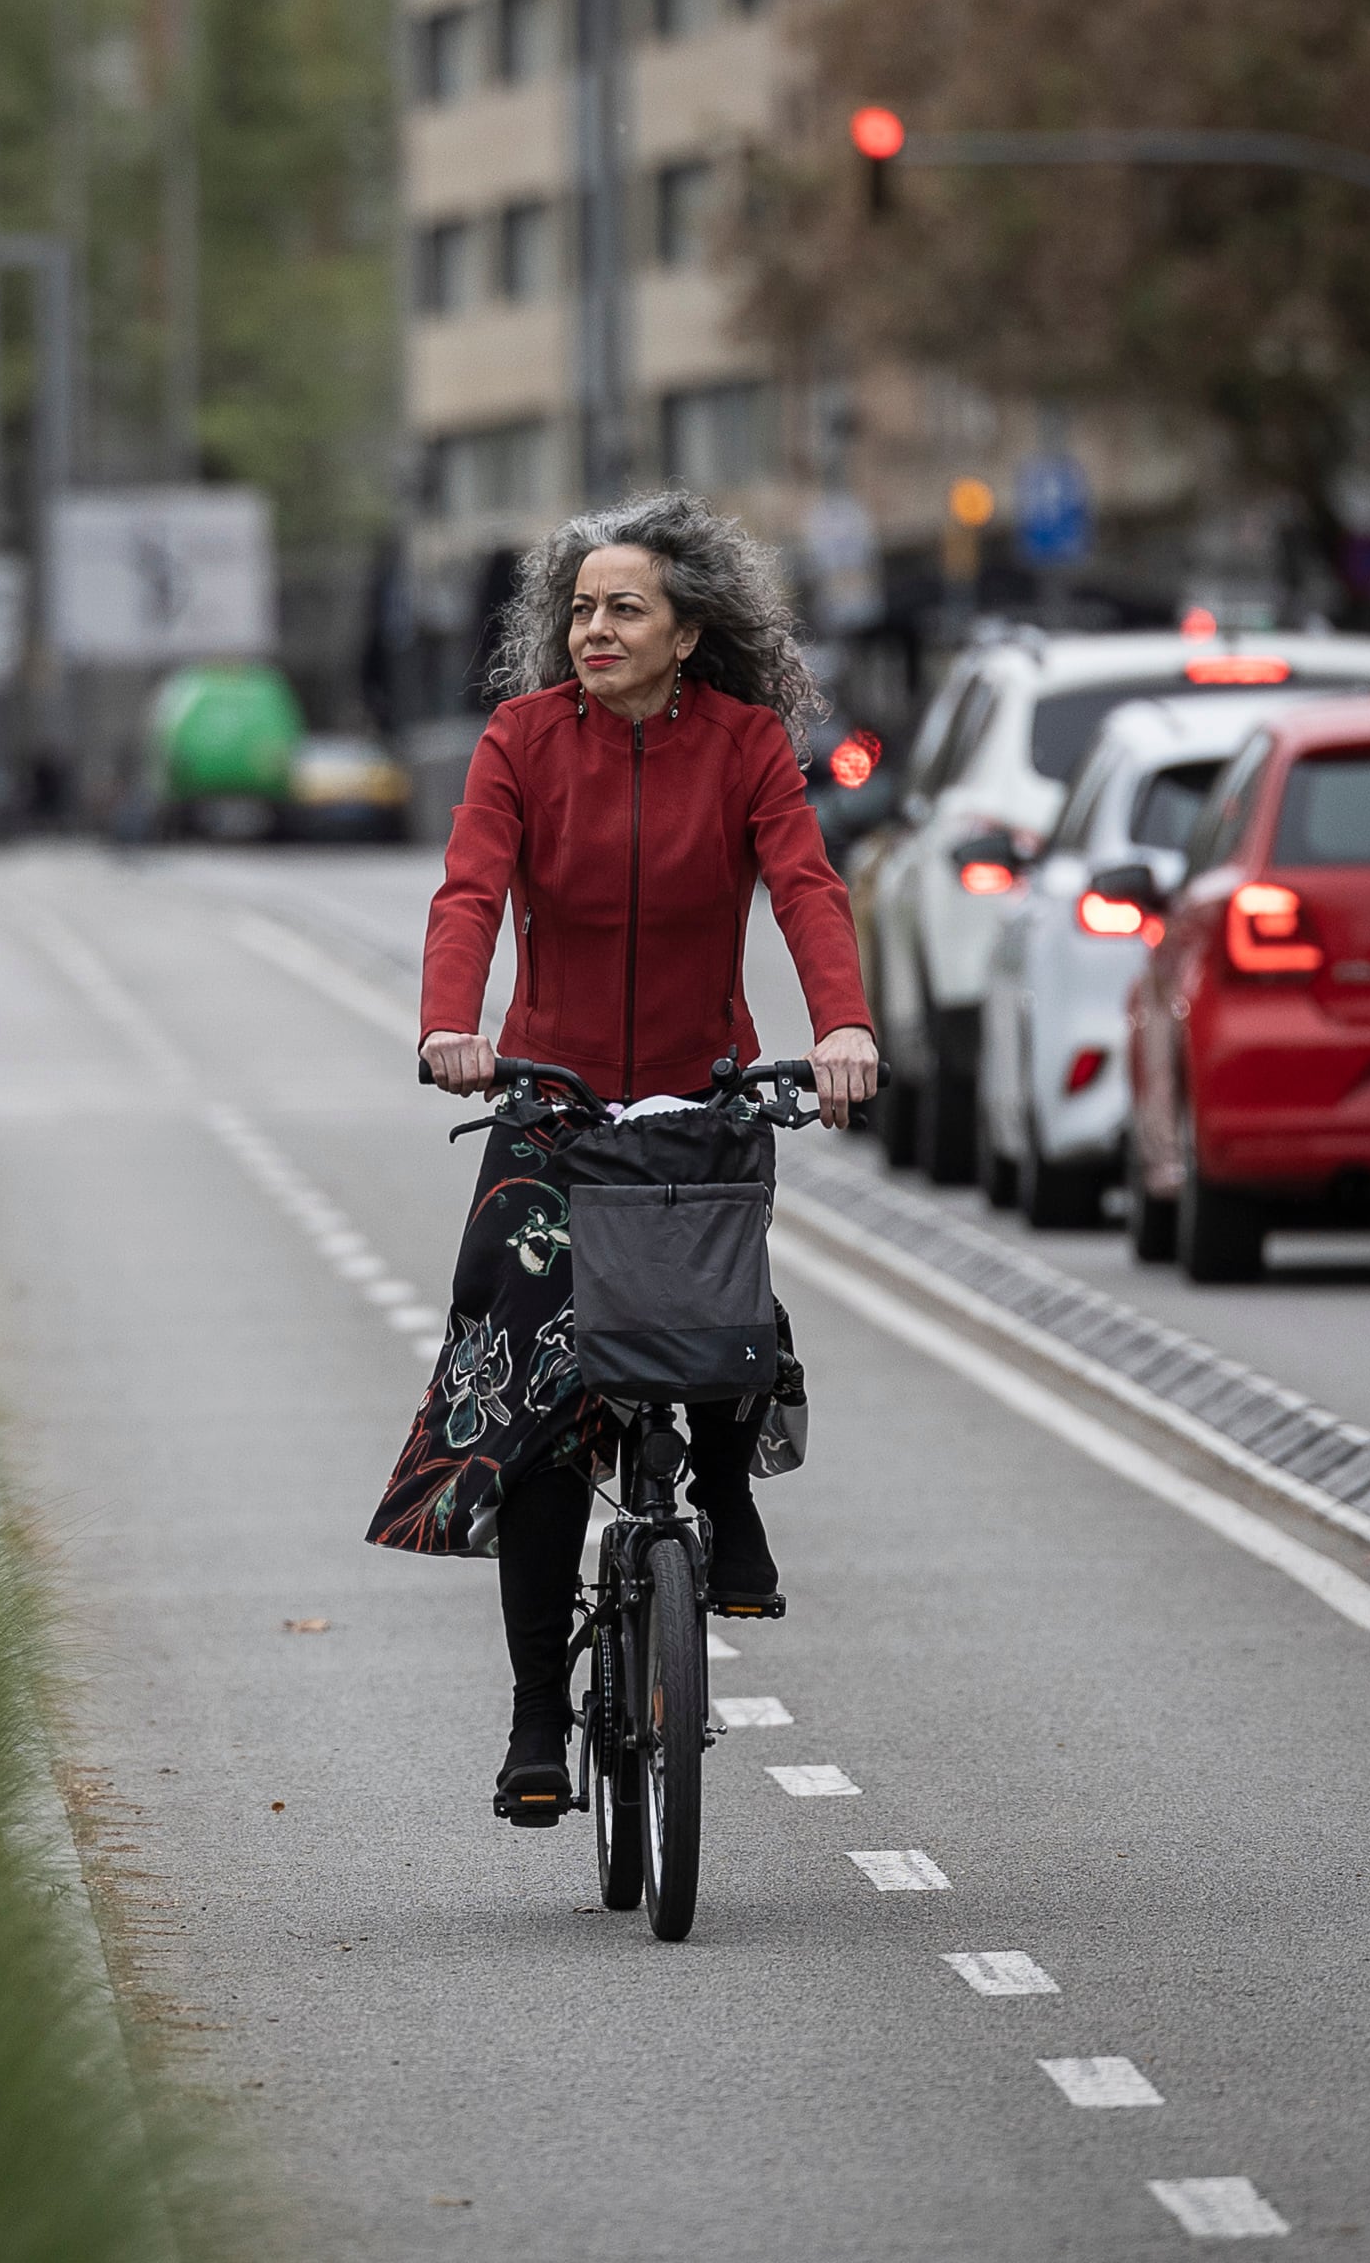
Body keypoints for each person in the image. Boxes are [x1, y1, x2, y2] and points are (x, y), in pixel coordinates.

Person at [380, 490, 879, 1821]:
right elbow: (472, 889)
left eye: (626, 609)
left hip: (700, 1090)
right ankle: (540, 1712)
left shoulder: (751, 747)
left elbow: (807, 888)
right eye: (581, 609)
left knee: (712, 1316)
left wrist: (842, 1028)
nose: (594, 629)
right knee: (542, 1405)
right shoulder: (521, 742)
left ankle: (723, 1478)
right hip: (550, 1100)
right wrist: (451, 1025)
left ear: (689, 629)